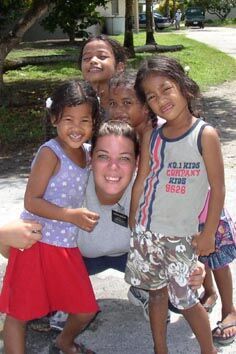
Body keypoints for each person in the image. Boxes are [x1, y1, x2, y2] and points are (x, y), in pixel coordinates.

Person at [125, 56, 225, 354]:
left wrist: (208, 233)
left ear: (184, 86)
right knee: (156, 295)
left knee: (185, 300)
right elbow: (142, 180)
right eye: (152, 97)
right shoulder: (153, 137)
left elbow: (217, 189)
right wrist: (134, 220)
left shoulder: (204, 135)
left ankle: (208, 350)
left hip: (180, 236)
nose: (161, 100)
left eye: (166, 89)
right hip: (147, 233)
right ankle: (160, 348)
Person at [0, 79, 101, 354]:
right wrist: (70, 215)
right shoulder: (50, 153)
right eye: (68, 119)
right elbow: (31, 201)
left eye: (85, 120)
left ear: (94, 123)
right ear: (54, 118)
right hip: (35, 241)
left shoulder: (89, 154)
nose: (77, 127)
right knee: (19, 313)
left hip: (65, 246)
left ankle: (63, 342)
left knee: (85, 309)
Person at [198, 196, 236, 346]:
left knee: (219, 262)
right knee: (200, 258)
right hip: (186, 211)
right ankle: (209, 292)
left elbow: (218, 186)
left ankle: (229, 310)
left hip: (210, 212)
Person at [78, 35, 126, 113]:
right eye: (87, 58)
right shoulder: (74, 104)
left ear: (119, 67)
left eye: (102, 57)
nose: (93, 60)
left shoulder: (131, 102)